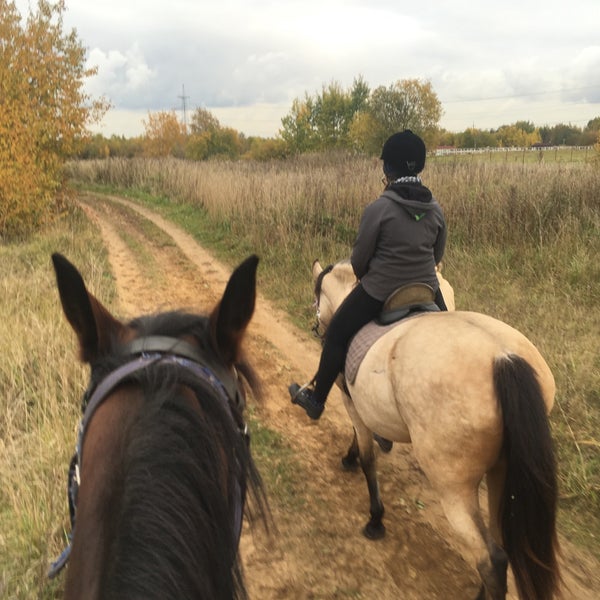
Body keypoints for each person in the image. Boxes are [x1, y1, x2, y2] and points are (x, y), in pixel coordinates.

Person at [289, 130, 447, 420]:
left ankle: (316, 399)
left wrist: (368, 275)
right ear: (420, 166)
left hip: (380, 290)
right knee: (451, 333)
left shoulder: (379, 208)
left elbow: (360, 260)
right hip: (427, 288)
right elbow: (437, 255)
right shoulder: (435, 208)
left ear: (387, 169)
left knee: (335, 333)